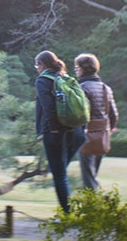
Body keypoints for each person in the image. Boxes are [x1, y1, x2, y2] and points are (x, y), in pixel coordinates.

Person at [34, 50, 87, 213]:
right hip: (77, 132)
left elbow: (48, 107)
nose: (37, 68)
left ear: (42, 65)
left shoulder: (43, 80)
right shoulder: (66, 78)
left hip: (56, 134)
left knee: (59, 175)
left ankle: (68, 215)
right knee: (61, 171)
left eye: (37, 65)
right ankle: (75, 210)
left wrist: (54, 128)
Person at [74, 53, 119, 191]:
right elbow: (114, 115)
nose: (75, 70)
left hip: (86, 134)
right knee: (93, 173)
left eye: (77, 67)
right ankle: (95, 199)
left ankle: (93, 202)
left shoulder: (81, 88)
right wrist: (110, 129)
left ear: (84, 68)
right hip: (102, 135)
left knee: (88, 177)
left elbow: (79, 115)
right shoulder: (106, 88)